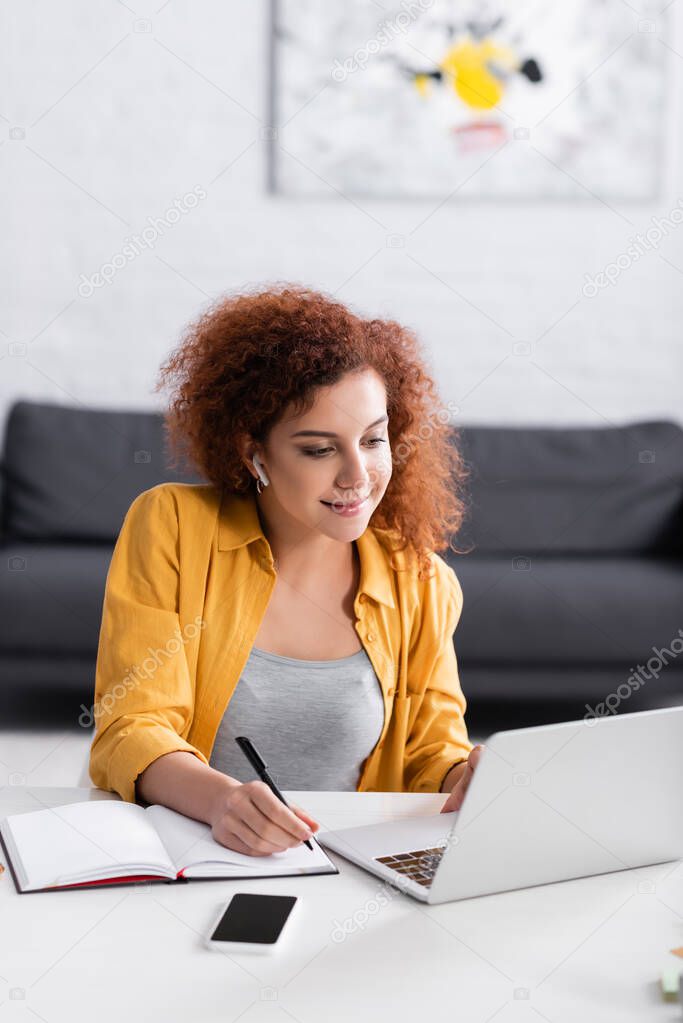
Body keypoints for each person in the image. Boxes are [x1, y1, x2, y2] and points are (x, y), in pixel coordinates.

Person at [88, 283, 484, 856]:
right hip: (191, 852)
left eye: (373, 441)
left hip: (349, 864)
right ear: (254, 453)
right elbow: (132, 727)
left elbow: (430, 748)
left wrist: (464, 778)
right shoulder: (171, 525)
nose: (358, 475)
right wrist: (223, 802)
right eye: (320, 450)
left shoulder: (419, 578)